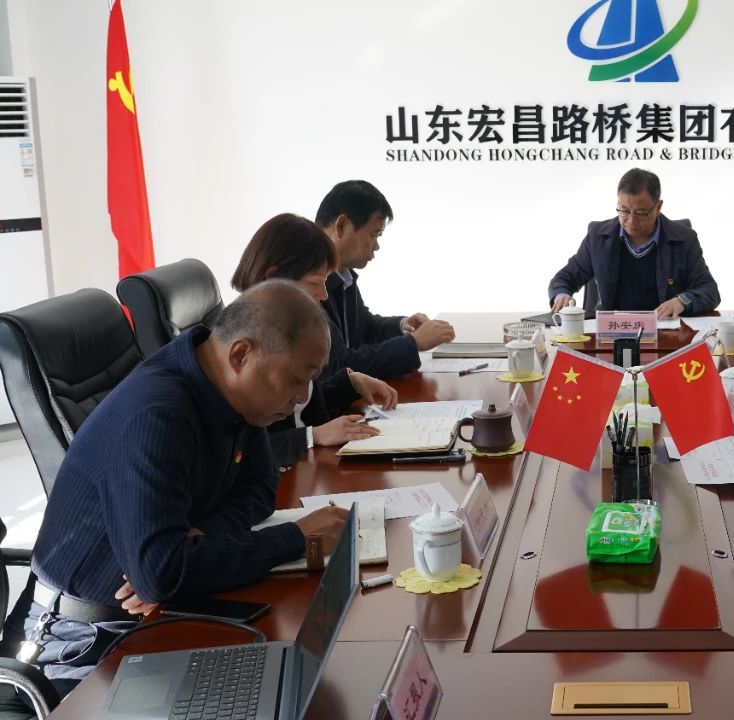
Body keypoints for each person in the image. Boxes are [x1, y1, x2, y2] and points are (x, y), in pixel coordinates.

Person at [1, 281, 350, 694]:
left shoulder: (236, 395)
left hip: (153, 616)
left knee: (298, 675)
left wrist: (201, 539)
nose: (302, 397)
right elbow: (160, 575)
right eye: (296, 379)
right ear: (241, 354)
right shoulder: (157, 412)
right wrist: (296, 537)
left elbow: (260, 490)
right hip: (78, 647)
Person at [231, 213, 400, 469]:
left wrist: (349, 384)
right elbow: (238, 452)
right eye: (316, 283)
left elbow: (299, 408)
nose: (323, 295)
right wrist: (313, 436)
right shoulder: (246, 345)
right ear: (273, 277)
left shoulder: (285, 325)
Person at [315, 179, 455, 379]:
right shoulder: (307, 281)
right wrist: (413, 343)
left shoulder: (343, 274)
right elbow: (340, 365)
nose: (376, 246)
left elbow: (365, 327)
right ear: (342, 226)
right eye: (374, 234)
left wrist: (402, 326)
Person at [548, 168, 719, 318]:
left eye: (640, 213)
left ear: (658, 207)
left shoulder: (684, 240)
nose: (631, 220)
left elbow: (709, 290)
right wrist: (561, 295)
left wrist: (682, 301)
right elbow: (565, 277)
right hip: (611, 331)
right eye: (624, 210)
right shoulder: (598, 237)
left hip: (666, 331)